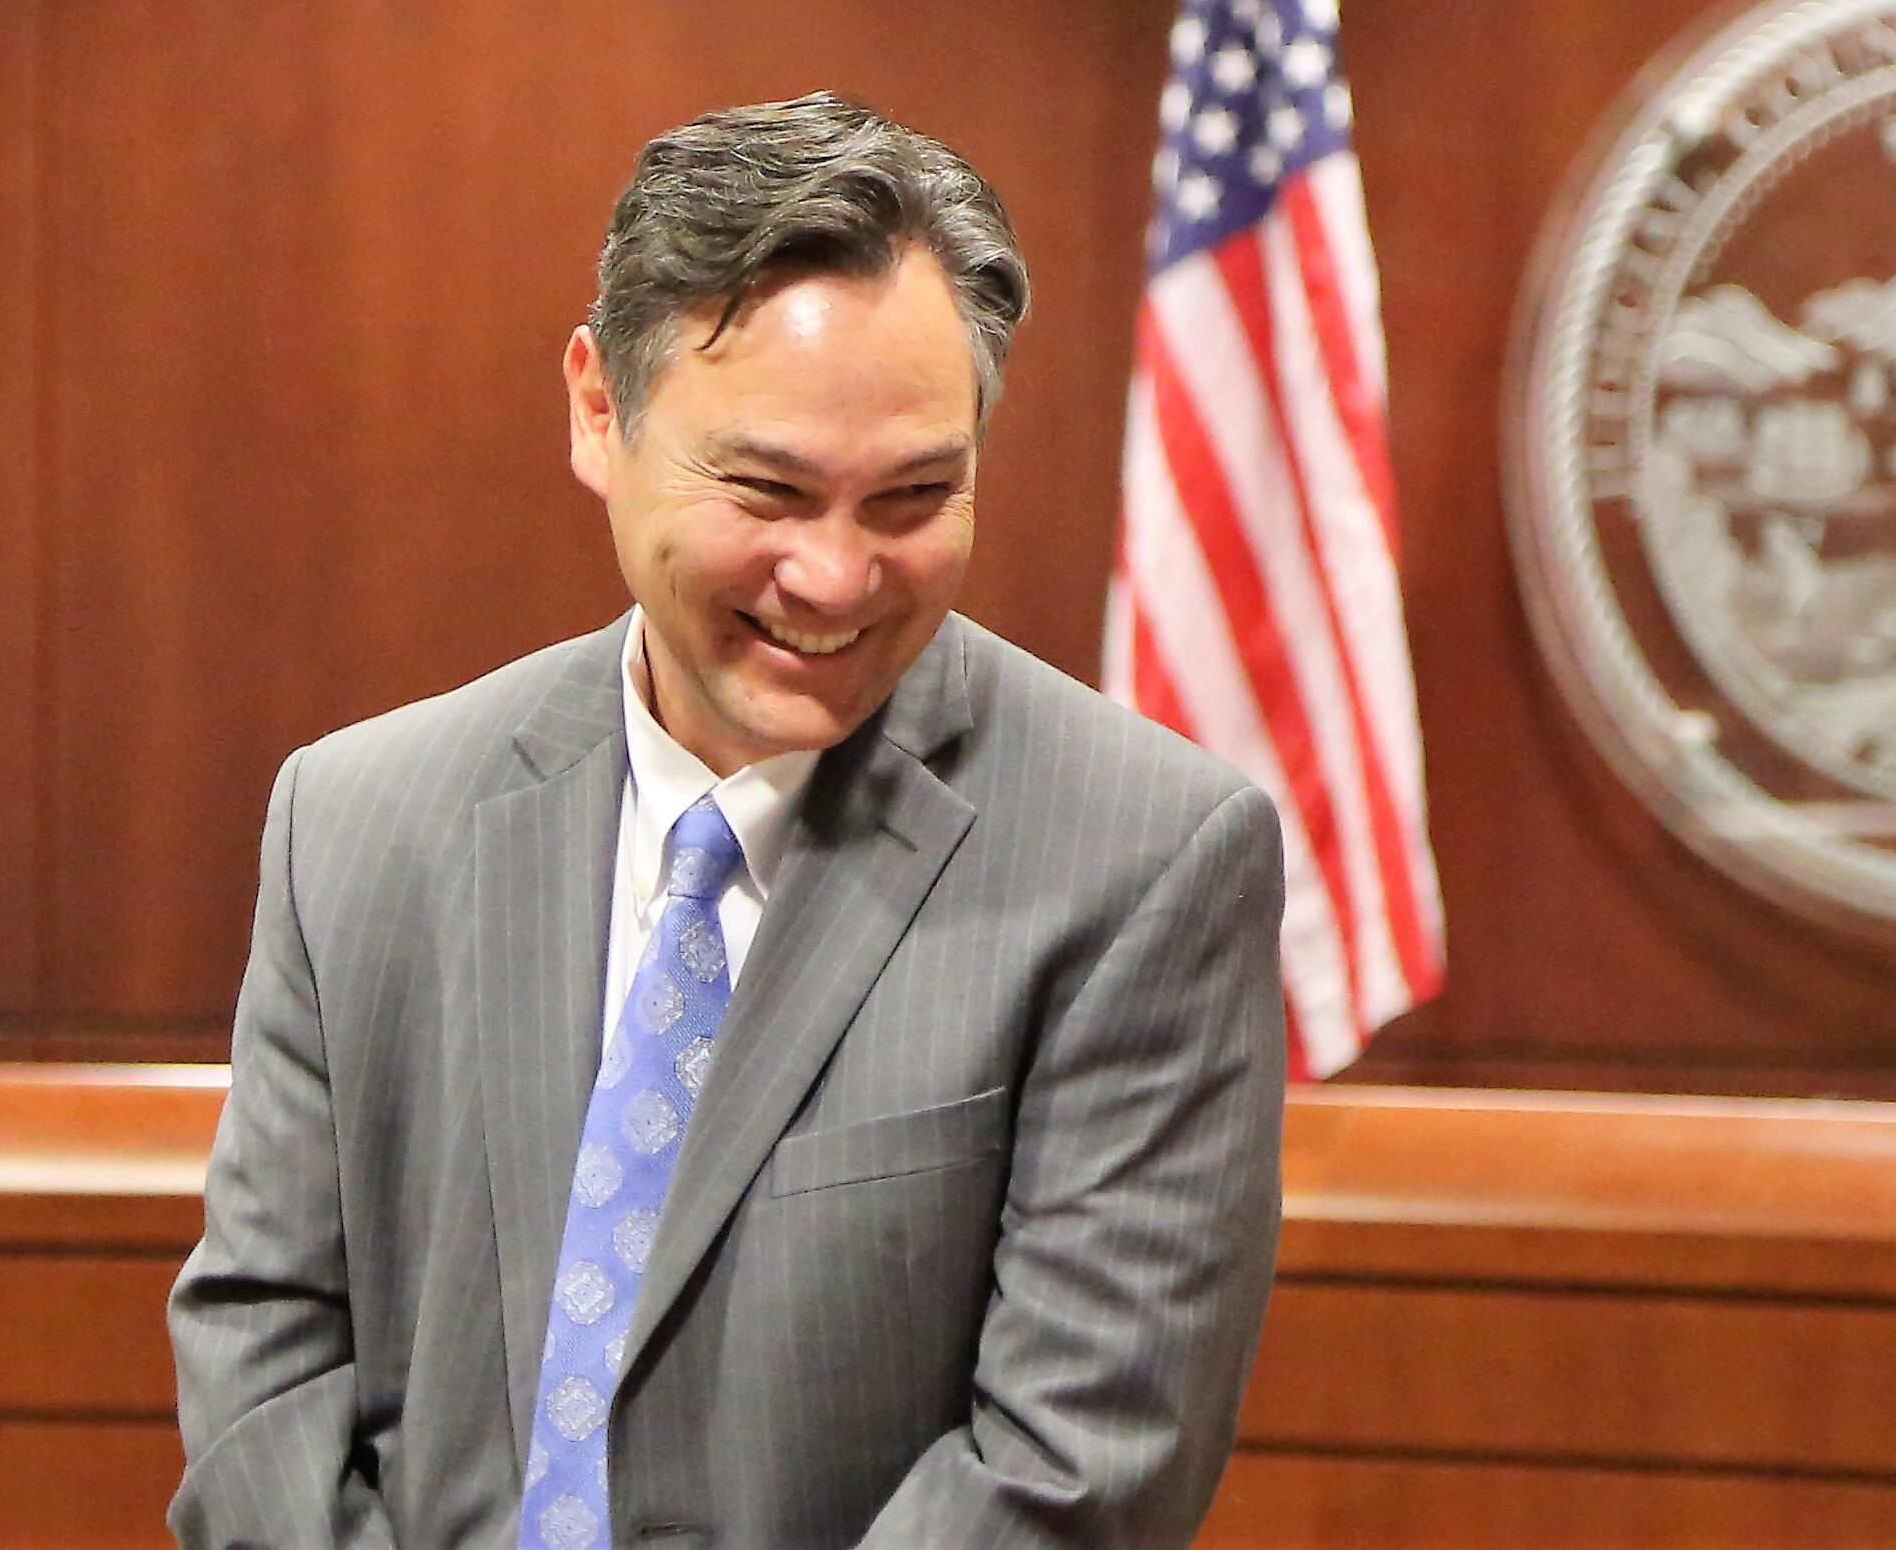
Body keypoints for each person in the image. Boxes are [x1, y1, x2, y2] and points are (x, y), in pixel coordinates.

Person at [168, 93, 1287, 1549]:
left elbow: (1073, 1466)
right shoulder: (359, 817)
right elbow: (267, 1353)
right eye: (765, 488)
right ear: (597, 410)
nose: (833, 575)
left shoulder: (1143, 859)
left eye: (912, 495)